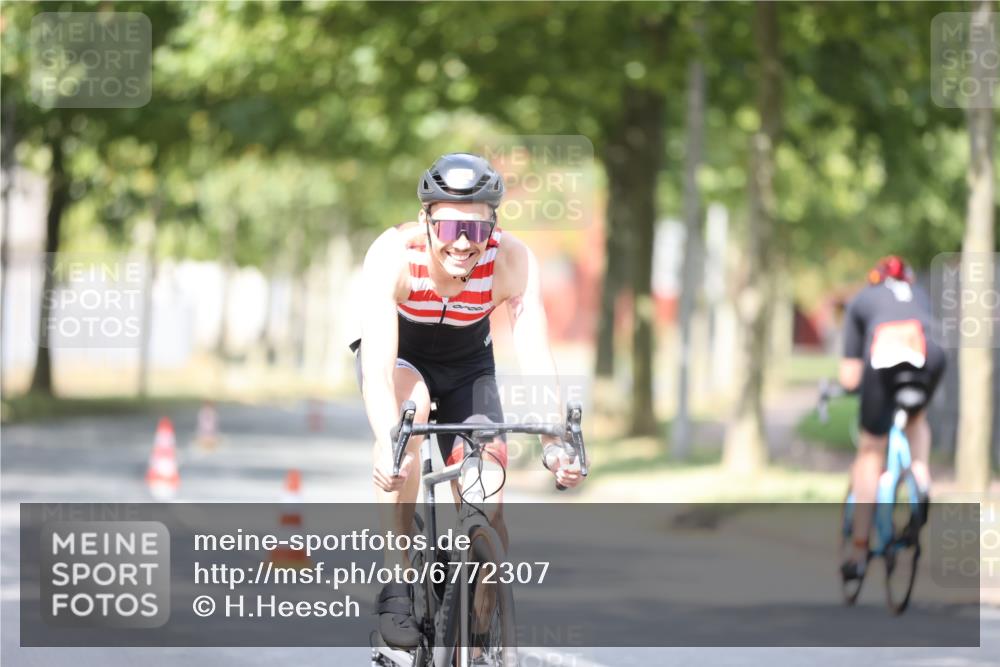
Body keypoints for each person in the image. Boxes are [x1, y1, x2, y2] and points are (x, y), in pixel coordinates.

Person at [351, 152, 584, 648]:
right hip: (401, 359)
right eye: (450, 227)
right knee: (406, 425)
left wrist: (554, 440)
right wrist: (389, 442)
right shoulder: (391, 255)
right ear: (425, 220)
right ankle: (397, 581)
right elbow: (376, 368)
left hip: (467, 366)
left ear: (493, 228)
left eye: (476, 231)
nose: (462, 242)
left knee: (488, 491)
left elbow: (535, 351)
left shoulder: (513, 259)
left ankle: (480, 624)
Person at [837, 255, 946, 580]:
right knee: (916, 420)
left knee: (871, 450)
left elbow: (849, 377)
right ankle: (921, 476)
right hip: (931, 353)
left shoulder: (862, 301)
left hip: (885, 354)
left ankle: (858, 551)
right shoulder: (920, 294)